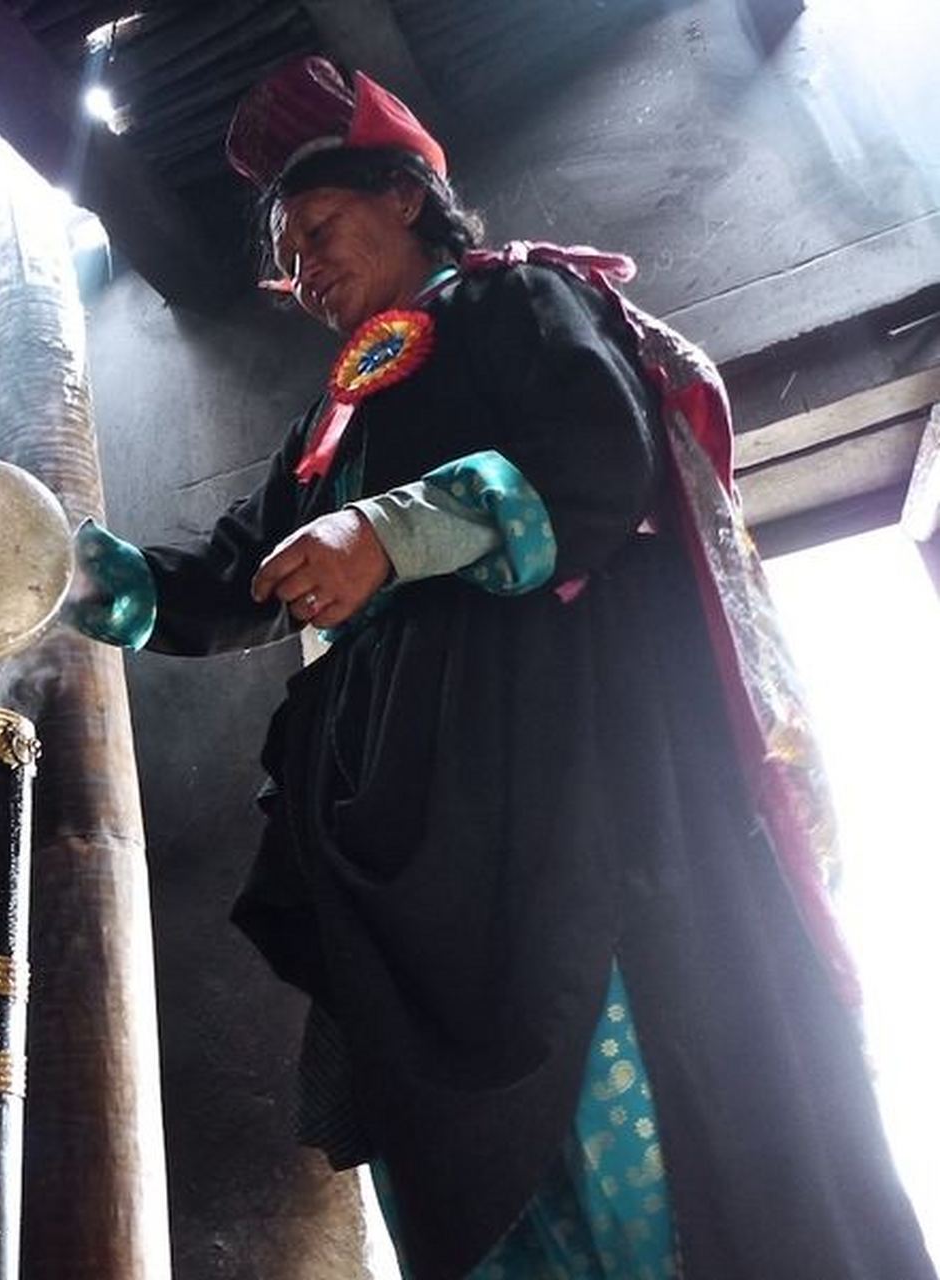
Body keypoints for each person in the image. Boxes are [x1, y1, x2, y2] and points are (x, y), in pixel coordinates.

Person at [70, 57, 934, 1279]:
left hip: (563, 787)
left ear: (407, 197)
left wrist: (388, 532)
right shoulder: (328, 422)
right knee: (454, 1170)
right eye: (289, 253)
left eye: (319, 228)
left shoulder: (515, 297)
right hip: (410, 837)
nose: (303, 267)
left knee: (616, 1085)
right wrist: (81, 578)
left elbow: (600, 460)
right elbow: (230, 579)